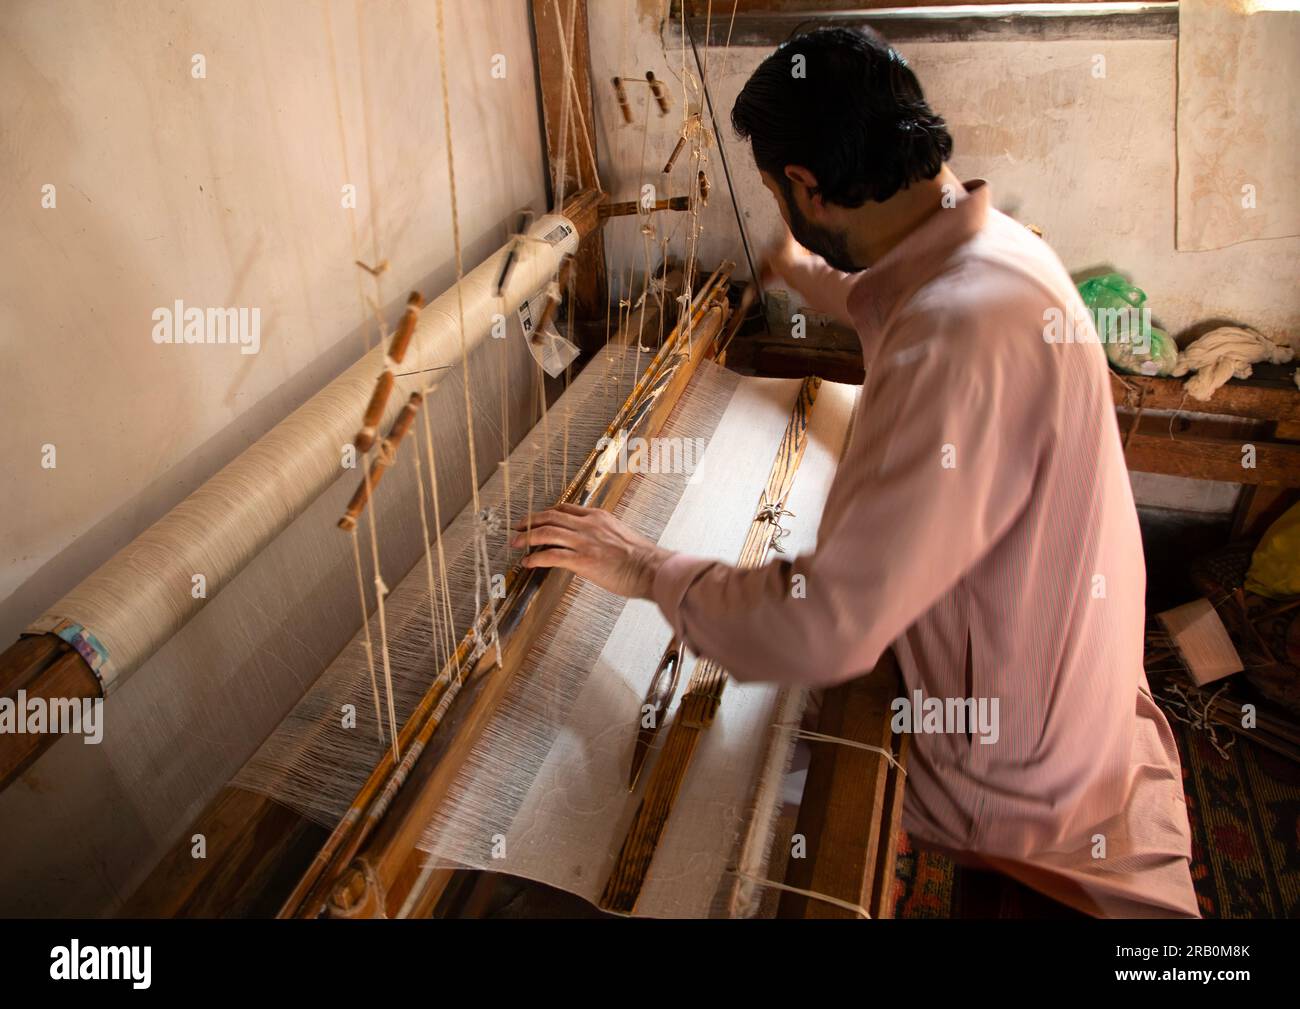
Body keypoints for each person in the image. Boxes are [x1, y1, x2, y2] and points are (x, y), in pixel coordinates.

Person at [512, 26, 1197, 918]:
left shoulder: (949, 341)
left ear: (806, 184)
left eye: (774, 192)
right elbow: (907, 293)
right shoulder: (1004, 251)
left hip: (1021, 772)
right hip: (1085, 693)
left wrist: (645, 569)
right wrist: (809, 276)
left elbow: (831, 630)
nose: (782, 211)